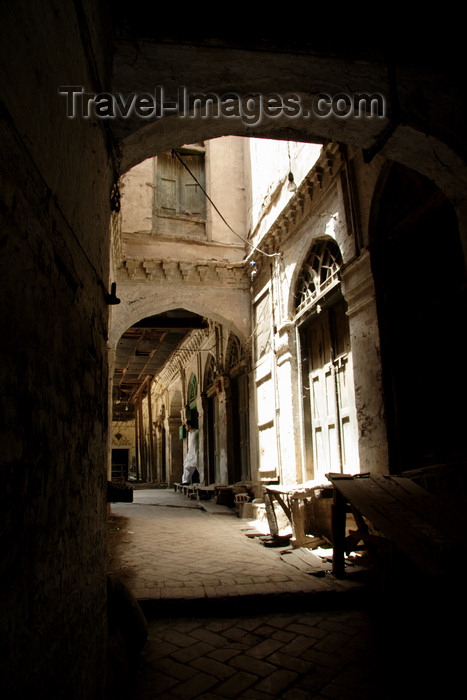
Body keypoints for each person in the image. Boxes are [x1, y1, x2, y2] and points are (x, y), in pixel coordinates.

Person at [182, 419, 199, 485]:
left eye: (186, 426)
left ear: (190, 426)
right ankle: (185, 481)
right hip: (190, 453)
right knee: (187, 465)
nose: (185, 427)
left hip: (196, 452)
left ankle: (204, 481)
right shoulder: (189, 434)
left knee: (199, 467)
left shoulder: (196, 432)